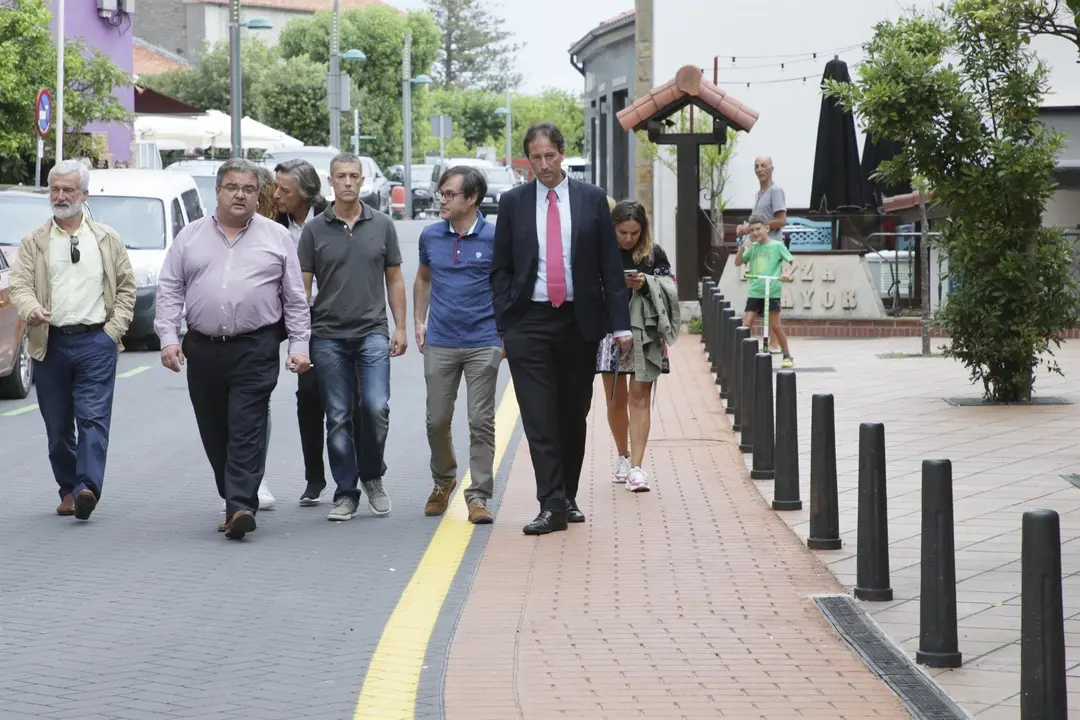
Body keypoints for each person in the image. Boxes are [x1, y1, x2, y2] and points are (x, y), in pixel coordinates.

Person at [155, 158, 311, 540]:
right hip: (203, 349)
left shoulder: (277, 237)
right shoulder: (189, 237)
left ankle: (240, 504)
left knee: (246, 425)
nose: (240, 195)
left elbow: (294, 297)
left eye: (249, 189)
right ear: (218, 192)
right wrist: (169, 338)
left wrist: (299, 344)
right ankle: (234, 497)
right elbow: (170, 289)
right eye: (232, 187)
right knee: (214, 429)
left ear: (260, 196)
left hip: (255, 347)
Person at [491, 122, 631, 536]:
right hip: (528, 322)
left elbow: (610, 266)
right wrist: (505, 319)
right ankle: (549, 502)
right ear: (527, 159)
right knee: (539, 416)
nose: (544, 165)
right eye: (535, 157)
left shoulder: (591, 201)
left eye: (550, 155)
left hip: (578, 320)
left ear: (562, 153)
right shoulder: (514, 202)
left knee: (573, 414)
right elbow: (500, 268)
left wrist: (620, 325)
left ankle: (566, 495)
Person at [9, 159, 136, 520]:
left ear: (84, 194)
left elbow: (126, 289)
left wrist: (113, 332)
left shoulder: (107, 239)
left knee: (93, 419)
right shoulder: (34, 241)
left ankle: (87, 488)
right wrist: (31, 308)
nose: (60, 196)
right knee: (58, 424)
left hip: (96, 341)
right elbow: (18, 284)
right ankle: (67, 487)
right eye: (55, 189)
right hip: (50, 343)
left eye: (68, 190)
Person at [298, 152, 407, 522]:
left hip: (372, 332)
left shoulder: (383, 225)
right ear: (330, 182)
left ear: (363, 181)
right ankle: (346, 493)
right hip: (327, 335)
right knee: (338, 416)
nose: (347, 182)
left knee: (376, 407)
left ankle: (372, 475)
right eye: (341, 176)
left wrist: (401, 326)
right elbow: (302, 287)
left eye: (354, 176)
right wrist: (300, 338)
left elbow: (394, 277)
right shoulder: (314, 230)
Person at [414, 166, 501, 525]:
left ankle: (478, 495)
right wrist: (418, 321)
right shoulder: (430, 236)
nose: (442, 200)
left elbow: (507, 288)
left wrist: (504, 334)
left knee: (481, 420)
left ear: (472, 199)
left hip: (484, 341)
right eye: (441, 193)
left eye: (450, 194)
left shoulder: (496, 239)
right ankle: (443, 480)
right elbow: (423, 278)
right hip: (440, 341)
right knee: (437, 420)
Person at [598, 201, 678, 493]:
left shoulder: (654, 253)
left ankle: (637, 468)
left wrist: (646, 283)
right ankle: (622, 456)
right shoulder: (601, 250)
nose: (628, 239)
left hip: (646, 332)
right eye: (622, 232)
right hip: (608, 331)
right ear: (613, 228)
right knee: (615, 400)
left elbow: (670, 286)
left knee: (640, 398)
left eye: (634, 233)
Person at [273, 159, 335, 506]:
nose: (278, 195)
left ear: (306, 193)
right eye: (276, 187)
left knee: (346, 401)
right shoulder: (271, 223)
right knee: (308, 398)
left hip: (332, 319)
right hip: (294, 323)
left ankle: (356, 471)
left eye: (285, 189)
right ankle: (314, 476)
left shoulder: (330, 219)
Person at [736, 156, 788, 352]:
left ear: (772, 168)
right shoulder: (759, 193)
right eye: (756, 166)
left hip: (772, 249)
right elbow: (757, 221)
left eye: (764, 165)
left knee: (771, 294)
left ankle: (775, 344)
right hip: (759, 250)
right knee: (761, 291)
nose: (760, 169)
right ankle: (767, 343)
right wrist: (747, 228)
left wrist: (756, 229)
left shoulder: (776, 191)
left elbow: (781, 220)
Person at [734, 214, 796, 368]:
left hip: (772, 291)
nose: (755, 233)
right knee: (747, 323)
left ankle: (787, 355)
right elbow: (737, 262)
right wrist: (742, 249)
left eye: (758, 229)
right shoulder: (752, 248)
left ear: (767, 228)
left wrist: (787, 273)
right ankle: (739, 355)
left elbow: (794, 263)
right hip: (756, 291)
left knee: (775, 325)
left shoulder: (777, 246)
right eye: (752, 230)